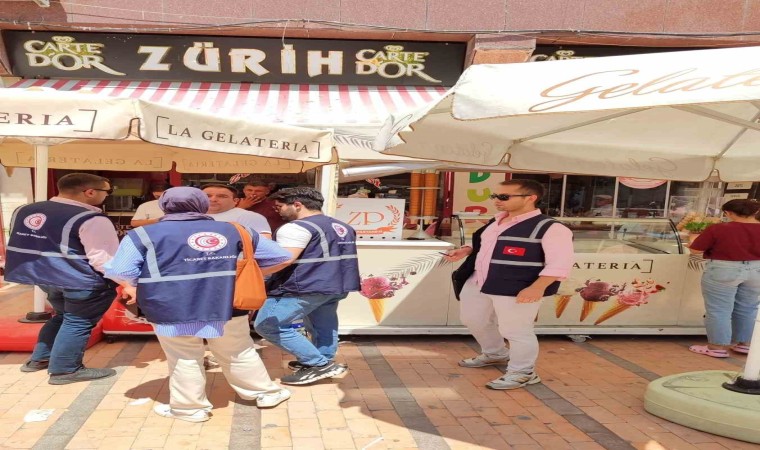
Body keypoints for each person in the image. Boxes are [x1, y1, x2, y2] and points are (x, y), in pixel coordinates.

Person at [104, 187, 293, 422]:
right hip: (226, 301)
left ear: (164, 206)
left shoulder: (142, 234)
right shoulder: (235, 229)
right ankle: (265, 393)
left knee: (183, 355)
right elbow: (281, 256)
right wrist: (237, 274)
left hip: (170, 305)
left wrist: (139, 282)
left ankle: (190, 409)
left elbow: (121, 271)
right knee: (238, 349)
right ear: (202, 205)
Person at [445, 180, 574, 390]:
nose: (497, 200)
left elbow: (560, 263)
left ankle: (523, 372)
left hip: (517, 285)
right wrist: (467, 250)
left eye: (504, 197)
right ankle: (495, 354)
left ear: (531, 198)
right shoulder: (496, 221)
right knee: (473, 319)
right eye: (494, 196)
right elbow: (485, 245)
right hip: (479, 280)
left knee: (516, 330)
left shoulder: (551, 228)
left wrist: (537, 287)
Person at [4, 173, 119, 384]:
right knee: (78, 321)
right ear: (90, 192)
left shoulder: (25, 210)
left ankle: (40, 359)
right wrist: (126, 282)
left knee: (62, 316)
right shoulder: (92, 218)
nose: (107, 195)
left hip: (44, 277)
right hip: (80, 280)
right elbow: (103, 259)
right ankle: (65, 370)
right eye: (107, 191)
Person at [254, 187, 360, 385]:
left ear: (297, 205)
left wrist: (254, 274)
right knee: (322, 325)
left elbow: (285, 259)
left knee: (268, 324)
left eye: (280, 206)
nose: (278, 211)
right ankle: (323, 360)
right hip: (336, 285)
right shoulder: (342, 226)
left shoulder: (295, 228)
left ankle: (317, 364)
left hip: (303, 286)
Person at [688, 199, 760, 358]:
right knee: (748, 308)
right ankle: (745, 344)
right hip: (757, 270)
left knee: (719, 309)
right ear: (755, 212)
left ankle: (717, 347)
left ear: (728, 213)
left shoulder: (719, 228)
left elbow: (695, 250)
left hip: (723, 269)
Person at [202, 184, 272, 238]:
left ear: (235, 201)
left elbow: (264, 245)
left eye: (222, 196)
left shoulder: (250, 217)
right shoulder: (195, 215)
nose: (213, 199)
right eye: (208, 196)